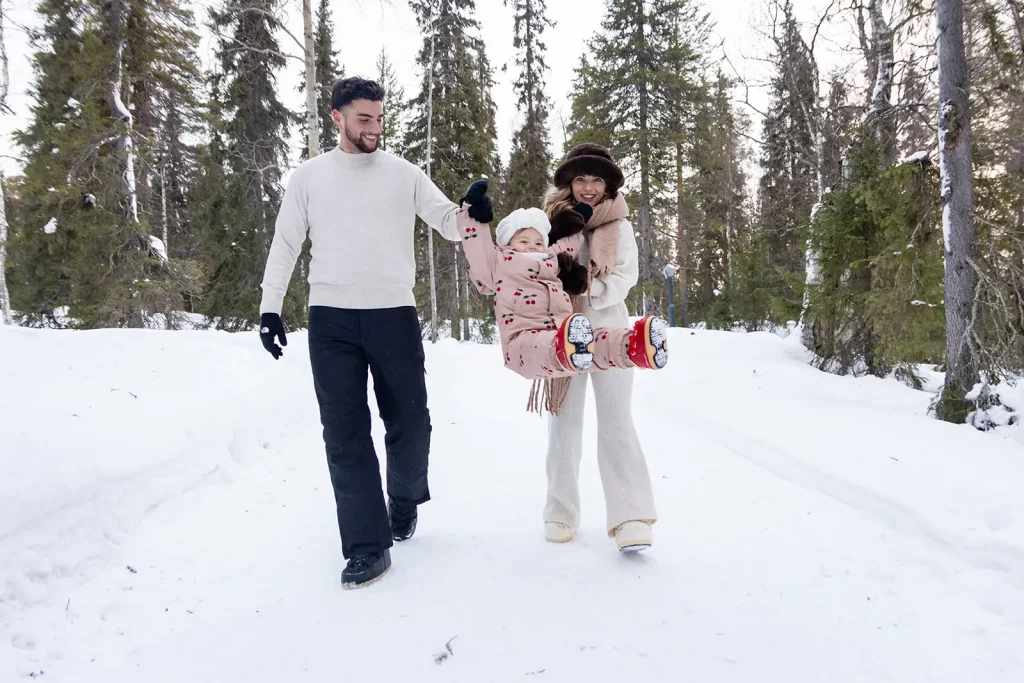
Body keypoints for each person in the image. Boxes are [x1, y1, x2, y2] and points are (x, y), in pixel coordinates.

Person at [256, 76, 493, 589]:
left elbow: (448, 222)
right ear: (337, 118)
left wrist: (472, 213)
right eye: (364, 119)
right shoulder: (309, 177)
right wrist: (270, 307)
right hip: (330, 319)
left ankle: (403, 497)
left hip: (392, 313)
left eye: (379, 118)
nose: (374, 128)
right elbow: (285, 242)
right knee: (344, 434)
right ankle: (367, 546)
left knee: (410, 422)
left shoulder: (403, 174)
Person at [538, 144, 659, 553]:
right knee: (564, 422)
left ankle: (630, 516)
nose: (588, 188)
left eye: (595, 180)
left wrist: (584, 286)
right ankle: (560, 511)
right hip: (563, 330)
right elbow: (536, 267)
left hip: (608, 329)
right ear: (569, 184)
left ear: (608, 184)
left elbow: (625, 277)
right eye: (580, 179)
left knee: (616, 419)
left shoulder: (619, 225)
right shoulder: (553, 223)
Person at [457, 182, 669, 379]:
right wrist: (472, 213)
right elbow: (477, 246)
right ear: (507, 242)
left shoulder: (551, 260)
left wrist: (579, 219)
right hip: (522, 341)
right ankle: (567, 348)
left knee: (595, 342)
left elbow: (570, 243)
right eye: (524, 241)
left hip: (561, 330)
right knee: (547, 345)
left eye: (538, 241)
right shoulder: (498, 261)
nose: (532, 246)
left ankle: (633, 347)